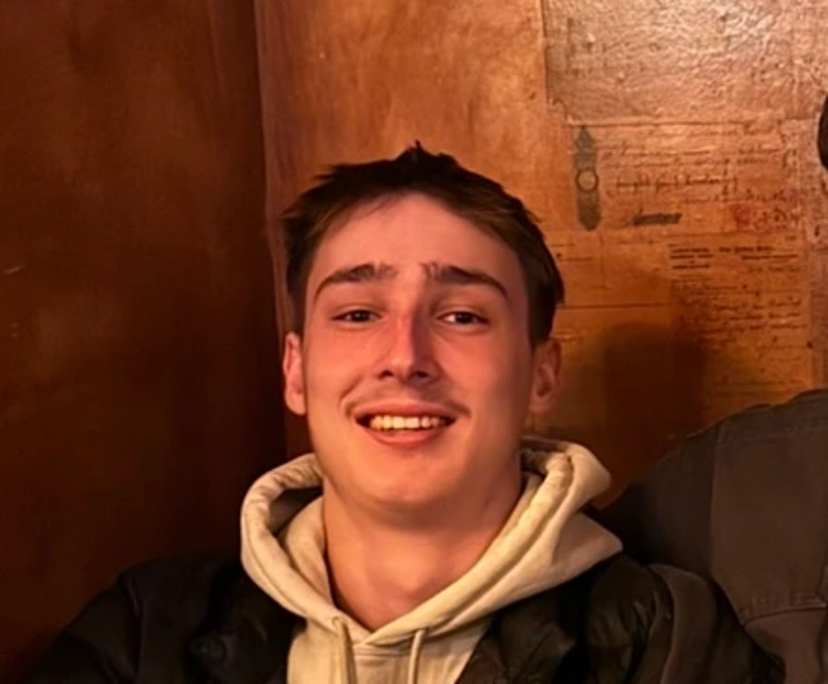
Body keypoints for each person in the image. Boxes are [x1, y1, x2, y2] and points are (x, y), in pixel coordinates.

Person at [27, 145, 782, 682]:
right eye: (358, 313)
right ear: (296, 370)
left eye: (461, 316)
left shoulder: (665, 645)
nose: (405, 356)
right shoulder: (145, 634)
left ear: (540, 375)